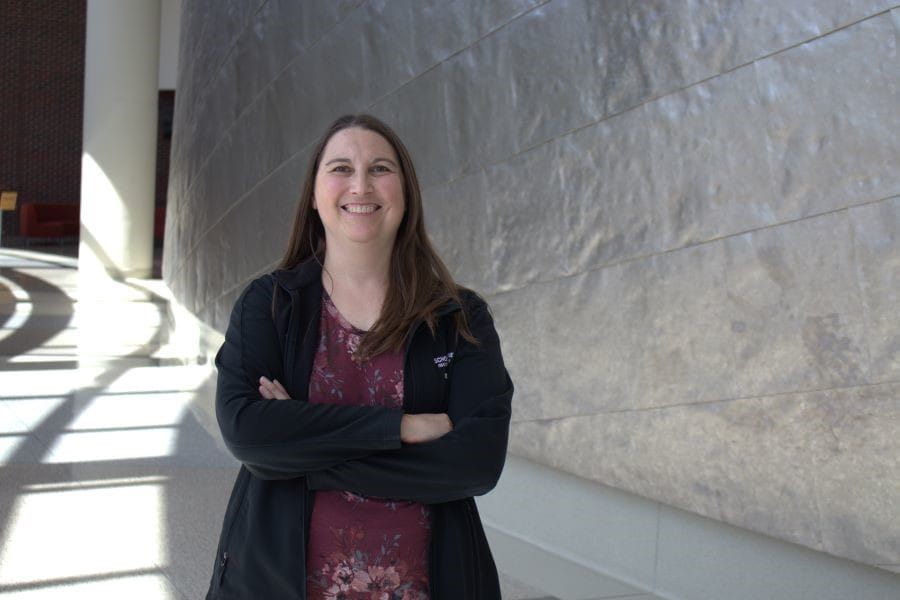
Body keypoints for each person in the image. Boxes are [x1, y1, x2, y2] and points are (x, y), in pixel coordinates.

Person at [205, 114, 513, 599]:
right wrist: (401, 428)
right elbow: (247, 432)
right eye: (341, 168)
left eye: (380, 168)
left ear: (405, 192)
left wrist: (299, 448)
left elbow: (475, 463)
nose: (360, 184)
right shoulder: (269, 305)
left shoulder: (459, 316)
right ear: (314, 193)